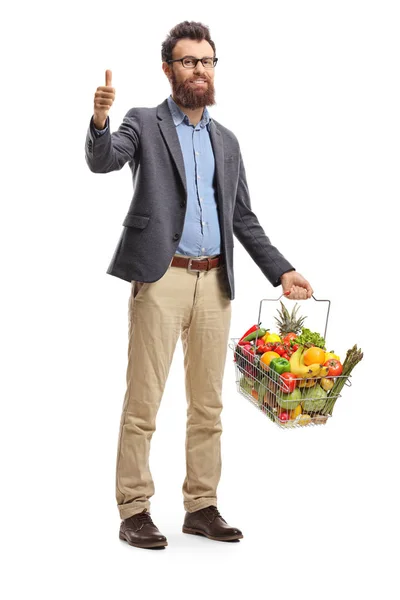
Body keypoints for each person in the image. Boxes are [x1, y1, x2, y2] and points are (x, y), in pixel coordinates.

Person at [85, 20, 313, 550]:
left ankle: (201, 505)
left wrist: (282, 269)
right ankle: (135, 508)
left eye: (207, 62)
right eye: (188, 62)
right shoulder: (143, 121)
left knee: (208, 404)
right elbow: (104, 160)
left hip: (215, 282)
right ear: (168, 69)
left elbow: (244, 218)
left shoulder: (226, 140)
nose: (199, 71)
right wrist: (99, 120)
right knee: (144, 400)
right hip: (161, 276)